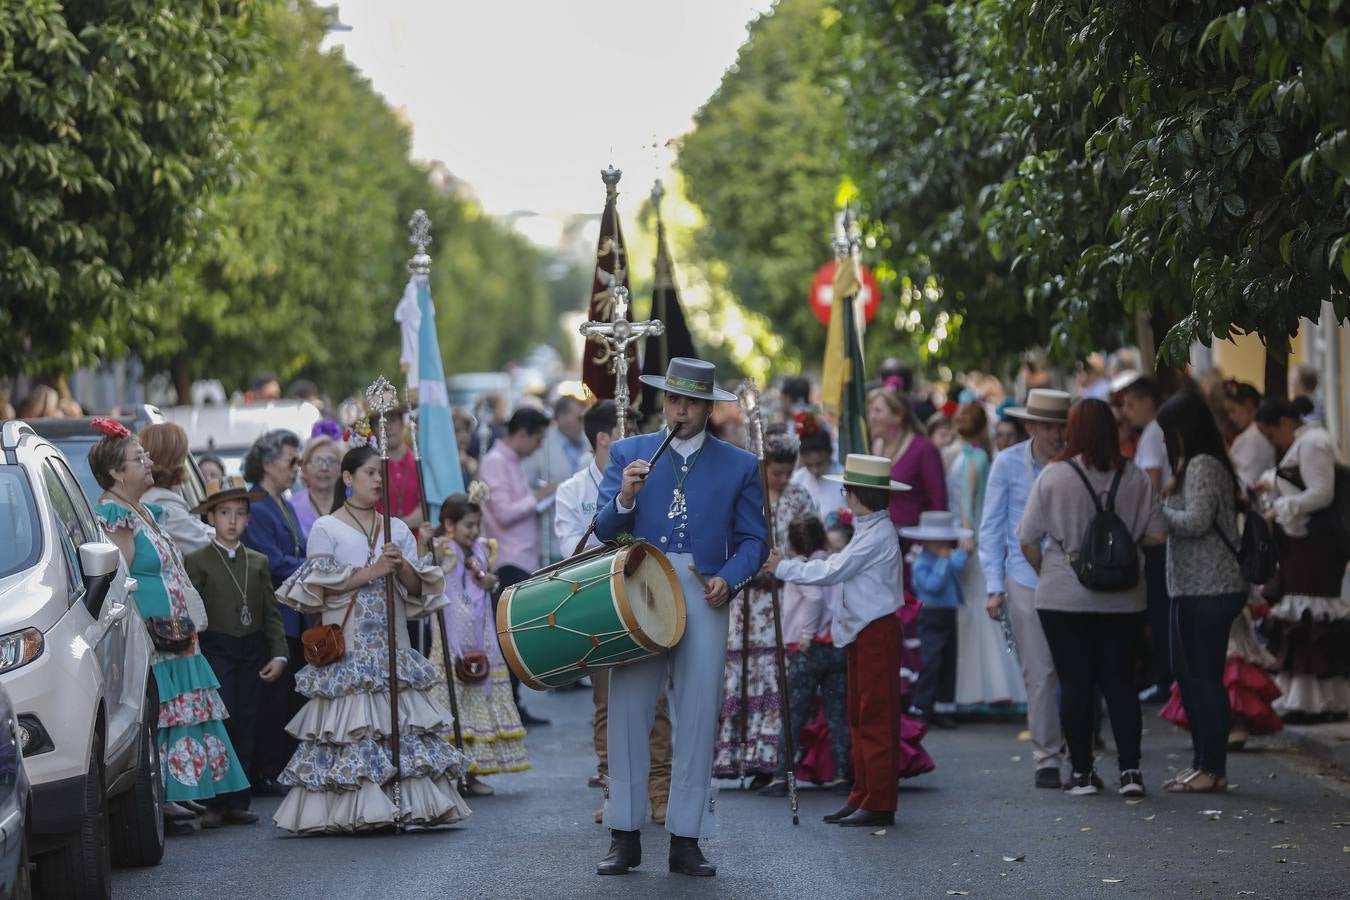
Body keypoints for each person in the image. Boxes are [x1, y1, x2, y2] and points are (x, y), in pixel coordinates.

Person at [593, 357, 768, 878]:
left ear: (709, 407)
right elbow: (603, 531)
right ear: (663, 401)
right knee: (628, 707)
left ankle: (686, 837)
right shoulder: (628, 452)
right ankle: (624, 834)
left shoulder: (739, 464)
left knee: (696, 711)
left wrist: (730, 577)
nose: (680, 410)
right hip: (642, 583)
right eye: (673, 400)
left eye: (691, 402)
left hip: (702, 588)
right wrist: (625, 496)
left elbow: (756, 540)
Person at [272, 445, 470, 833]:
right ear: (348, 478)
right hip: (349, 650)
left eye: (380, 474)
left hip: (393, 646)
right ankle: (357, 809)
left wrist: (401, 568)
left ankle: (406, 804)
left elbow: (417, 590)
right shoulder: (326, 528)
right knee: (352, 728)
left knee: (401, 726)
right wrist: (374, 570)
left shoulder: (396, 528)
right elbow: (319, 588)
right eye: (368, 473)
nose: (378, 480)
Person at [88, 420, 249, 823]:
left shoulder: (142, 508)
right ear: (115, 472)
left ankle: (182, 789)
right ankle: (163, 795)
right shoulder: (114, 514)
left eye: (146, 454)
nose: (149, 462)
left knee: (184, 709)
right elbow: (120, 578)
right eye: (138, 458)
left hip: (175, 629)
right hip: (153, 633)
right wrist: (139, 627)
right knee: (166, 712)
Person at [1017, 398, 1166, 797]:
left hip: (1063, 595)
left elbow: (1026, 538)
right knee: (1121, 682)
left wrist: (1050, 571)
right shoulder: (1135, 477)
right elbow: (1157, 535)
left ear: (1073, 430)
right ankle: (1131, 772)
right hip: (1124, 597)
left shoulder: (1053, 476)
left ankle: (1081, 773)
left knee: (1075, 682)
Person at [768, 454, 912, 828]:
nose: (844, 496)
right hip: (865, 631)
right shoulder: (870, 528)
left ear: (857, 495)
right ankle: (864, 793)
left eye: (847, 490)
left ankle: (877, 799)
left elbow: (834, 570)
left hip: (876, 630)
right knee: (859, 715)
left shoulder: (876, 533)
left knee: (874, 716)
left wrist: (784, 567)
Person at [554, 401, 672, 824]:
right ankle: (612, 791)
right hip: (596, 605)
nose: (638, 443)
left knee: (656, 702)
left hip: (644, 597)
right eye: (629, 433)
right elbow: (571, 549)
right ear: (605, 439)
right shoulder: (571, 490)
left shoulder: (654, 477)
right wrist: (614, 536)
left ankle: (660, 793)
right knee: (606, 704)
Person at [1148, 393, 1252, 793]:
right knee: (1187, 677)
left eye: (1166, 433)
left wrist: (1158, 512)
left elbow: (1197, 521)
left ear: (1182, 431)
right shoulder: (1189, 465)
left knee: (1205, 679)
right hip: (1190, 587)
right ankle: (1201, 763)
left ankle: (1214, 767)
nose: (1162, 441)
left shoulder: (1205, 465)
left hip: (1212, 587)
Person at [183, 477, 289, 826]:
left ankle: (238, 800)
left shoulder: (257, 562)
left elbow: (271, 612)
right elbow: (191, 610)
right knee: (221, 721)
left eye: (240, 514)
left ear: (248, 520)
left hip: (251, 648)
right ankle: (215, 801)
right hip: (216, 647)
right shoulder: (197, 561)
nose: (232, 521)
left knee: (247, 719)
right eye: (224, 513)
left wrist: (278, 653)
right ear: (210, 518)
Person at [713, 425, 812, 784]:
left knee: (773, 672)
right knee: (742, 672)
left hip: (781, 598)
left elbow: (810, 544)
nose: (783, 479)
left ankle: (769, 755)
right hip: (747, 598)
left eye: (788, 473)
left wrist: (787, 565)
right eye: (776, 473)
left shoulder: (799, 497)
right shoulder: (747, 494)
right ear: (762, 468)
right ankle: (740, 754)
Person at [980, 389, 1068, 788]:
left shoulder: (1075, 463)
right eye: (1048, 426)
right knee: (1040, 673)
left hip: (1073, 577)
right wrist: (994, 586)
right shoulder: (1007, 463)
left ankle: (1078, 745)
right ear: (1031, 426)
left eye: (1061, 427)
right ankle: (1047, 757)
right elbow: (992, 527)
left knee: (1075, 670)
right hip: (1025, 578)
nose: (1056, 435)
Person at [428, 487, 529, 796]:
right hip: (450, 639)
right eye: (467, 525)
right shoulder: (442, 550)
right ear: (449, 524)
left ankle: (471, 774)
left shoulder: (482, 551)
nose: (474, 531)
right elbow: (428, 568)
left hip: (481, 638)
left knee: (475, 705)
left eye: (476, 525)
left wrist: (491, 582)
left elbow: (488, 579)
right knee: (452, 704)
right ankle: (448, 774)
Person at [1255, 399, 1350, 722]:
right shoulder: (1307, 442)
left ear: (1284, 422)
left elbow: (1321, 492)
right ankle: (1313, 698)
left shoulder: (1312, 443)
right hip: (1305, 540)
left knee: (1309, 618)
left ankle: (1315, 700)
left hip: (1315, 542)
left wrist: (1279, 509)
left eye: (1270, 435)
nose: (1272, 443)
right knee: (1305, 619)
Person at [757, 511, 849, 795]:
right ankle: (842, 774)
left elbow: (814, 598)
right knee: (836, 715)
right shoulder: (833, 563)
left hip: (809, 648)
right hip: (836, 645)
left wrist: (808, 634)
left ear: (794, 544)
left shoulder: (800, 567)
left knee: (793, 713)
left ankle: (783, 776)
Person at [480, 406, 556, 727]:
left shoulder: (508, 461)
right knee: (509, 638)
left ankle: (514, 703)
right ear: (522, 434)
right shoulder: (495, 462)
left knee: (516, 637)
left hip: (521, 557)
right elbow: (504, 513)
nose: (538, 446)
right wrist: (540, 496)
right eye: (537, 439)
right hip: (508, 558)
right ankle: (509, 705)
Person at [240, 429, 305, 796]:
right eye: (291, 461)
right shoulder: (257, 503)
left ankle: (278, 764)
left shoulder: (285, 502)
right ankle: (266, 768)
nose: (296, 469)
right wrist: (313, 566)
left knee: (288, 694)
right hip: (274, 613)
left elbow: (299, 547)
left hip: (293, 611)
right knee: (273, 697)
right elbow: (272, 561)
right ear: (267, 463)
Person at [947, 403, 1025, 713]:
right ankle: (994, 686)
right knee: (980, 612)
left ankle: (980, 688)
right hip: (974, 538)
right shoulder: (976, 457)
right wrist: (968, 532)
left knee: (976, 613)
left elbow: (966, 496)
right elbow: (968, 497)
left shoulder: (962, 456)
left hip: (970, 537)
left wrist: (965, 531)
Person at [1118, 374, 1174, 704]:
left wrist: (1140, 524)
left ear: (1148, 403)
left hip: (1155, 537)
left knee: (1160, 611)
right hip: (1160, 532)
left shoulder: (1153, 435)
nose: (1126, 412)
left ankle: (1166, 679)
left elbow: (1151, 486)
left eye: (1131, 404)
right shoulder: (1156, 432)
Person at [904, 511, 972, 728]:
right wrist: (944, 562)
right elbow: (933, 585)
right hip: (930, 614)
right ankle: (922, 705)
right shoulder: (920, 562)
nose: (942, 545)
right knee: (931, 660)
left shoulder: (945, 557)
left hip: (948, 612)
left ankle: (944, 706)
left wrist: (961, 554)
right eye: (936, 541)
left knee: (948, 659)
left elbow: (957, 566)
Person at [524, 395, 591, 565]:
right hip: (551, 537)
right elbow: (525, 483)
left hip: (586, 531)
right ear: (561, 418)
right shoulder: (542, 446)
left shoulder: (587, 440)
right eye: (578, 418)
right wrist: (541, 494)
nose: (582, 423)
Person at [140, 422, 214, 554]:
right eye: (182, 457)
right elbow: (208, 549)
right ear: (173, 459)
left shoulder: (158, 497)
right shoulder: (163, 505)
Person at [372, 407, 424, 530]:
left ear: (402, 423)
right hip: (381, 543)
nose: (387, 427)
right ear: (374, 429)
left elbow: (426, 511)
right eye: (381, 422)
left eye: (392, 420)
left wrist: (396, 526)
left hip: (417, 544)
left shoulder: (419, 461)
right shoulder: (370, 467)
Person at [789, 412, 845, 517]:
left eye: (820, 464)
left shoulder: (844, 478)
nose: (815, 470)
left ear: (830, 453)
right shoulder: (796, 481)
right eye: (809, 465)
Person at [291, 435, 344, 539]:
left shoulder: (352, 503)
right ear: (305, 468)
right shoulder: (292, 507)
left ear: (340, 469)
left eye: (331, 461)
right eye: (317, 461)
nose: (324, 468)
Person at [1225, 382, 1275, 490]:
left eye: (1233, 410)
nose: (1231, 417)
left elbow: (1246, 481)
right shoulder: (1261, 432)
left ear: (1248, 405)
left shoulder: (1249, 438)